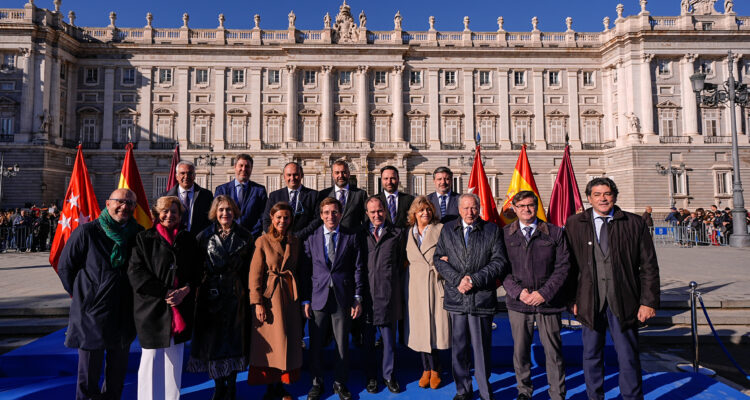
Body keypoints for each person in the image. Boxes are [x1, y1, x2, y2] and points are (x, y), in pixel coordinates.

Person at [566, 177, 660, 400]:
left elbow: (648, 265)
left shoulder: (634, 223)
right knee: (591, 355)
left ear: (615, 196)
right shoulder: (574, 223)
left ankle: (632, 397)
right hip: (590, 300)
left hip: (625, 299)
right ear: (589, 198)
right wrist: (571, 300)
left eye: (607, 194)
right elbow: (568, 267)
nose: (603, 199)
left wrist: (648, 301)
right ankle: (594, 396)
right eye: (597, 195)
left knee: (628, 356)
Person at [57, 188, 143, 400]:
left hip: (123, 312)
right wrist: (84, 296)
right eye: (120, 202)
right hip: (91, 314)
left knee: (117, 373)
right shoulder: (87, 232)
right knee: (88, 375)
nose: (125, 207)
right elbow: (66, 267)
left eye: (130, 203)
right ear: (107, 203)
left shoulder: (138, 234)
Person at [434, 194, 508, 400]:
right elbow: (438, 259)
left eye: (474, 208)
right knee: (459, 349)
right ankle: (463, 391)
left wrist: (474, 280)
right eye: (465, 208)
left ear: (480, 208)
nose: (470, 212)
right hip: (456, 299)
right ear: (459, 210)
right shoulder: (448, 230)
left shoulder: (492, 230)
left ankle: (485, 392)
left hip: (481, 299)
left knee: (482, 350)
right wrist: (458, 280)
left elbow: (499, 262)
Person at [128, 196, 202, 400]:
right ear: (157, 214)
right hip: (152, 309)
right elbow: (137, 273)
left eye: (174, 212)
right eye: (166, 211)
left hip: (180, 308)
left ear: (180, 215)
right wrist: (166, 293)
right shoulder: (144, 239)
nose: (170, 215)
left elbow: (197, 272)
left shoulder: (188, 240)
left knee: (174, 361)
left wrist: (185, 290)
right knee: (151, 359)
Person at [502, 191, 570, 400]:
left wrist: (544, 293)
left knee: (553, 352)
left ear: (537, 206)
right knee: (521, 351)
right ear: (514, 208)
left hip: (548, 302)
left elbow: (563, 267)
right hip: (519, 302)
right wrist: (517, 292)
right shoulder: (505, 234)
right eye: (521, 206)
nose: (526, 209)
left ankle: (557, 393)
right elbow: (501, 268)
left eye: (530, 205)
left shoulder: (555, 233)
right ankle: (524, 390)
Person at [187, 195, 253, 400]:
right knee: (213, 342)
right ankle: (218, 385)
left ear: (235, 212)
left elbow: (250, 268)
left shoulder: (245, 236)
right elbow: (195, 267)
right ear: (215, 212)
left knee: (235, 341)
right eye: (221, 209)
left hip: (236, 294)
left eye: (229, 210)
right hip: (211, 295)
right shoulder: (203, 236)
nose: (225, 213)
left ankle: (232, 385)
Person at [300, 197, 365, 400]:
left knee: (341, 343)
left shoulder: (350, 237)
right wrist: (305, 300)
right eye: (326, 213)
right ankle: (316, 383)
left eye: (334, 212)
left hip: (342, 297)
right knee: (316, 344)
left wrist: (357, 297)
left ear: (340, 213)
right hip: (318, 297)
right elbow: (306, 270)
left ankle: (340, 382)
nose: (330, 216)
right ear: (321, 215)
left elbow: (358, 268)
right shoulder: (312, 237)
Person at [248, 202, 304, 400]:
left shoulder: (295, 241)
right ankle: (270, 388)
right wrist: (257, 303)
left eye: (286, 217)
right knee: (270, 346)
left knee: (287, 342)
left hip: (289, 297)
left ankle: (282, 386)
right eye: (279, 217)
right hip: (269, 300)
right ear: (272, 218)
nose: (282, 221)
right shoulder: (262, 241)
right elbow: (255, 274)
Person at [404, 196, 450, 390]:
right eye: (421, 210)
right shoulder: (409, 233)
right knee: (420, 330)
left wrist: (441, 268)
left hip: (434, 283)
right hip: (414, 286)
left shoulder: (440, 230)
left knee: (434, 330)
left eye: (428, 210)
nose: (425, 213)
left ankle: (436, 369)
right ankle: (425, 369)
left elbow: (449, 255)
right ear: (414, 213)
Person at [361, 196, 406, 394]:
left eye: (380, 211)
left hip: (388, 295)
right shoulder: (360, 234)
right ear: (367, 214)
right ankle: (371, 377)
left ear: (385, 211)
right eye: (372, 212)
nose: (377, 215)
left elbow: (401, 264)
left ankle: (389, 375)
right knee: (368, 342)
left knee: (389, 341)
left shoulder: (397, 234)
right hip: (366, 297)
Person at [214, 154, 268, 237]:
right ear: (235, 167)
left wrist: (250, 236)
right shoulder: (222, 190)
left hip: (251, 239)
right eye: (241, 165)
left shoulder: (259, 190)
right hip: (226, 238)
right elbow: (216, 215)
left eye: (247, 166)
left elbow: (262, 216)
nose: (244, 169)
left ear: (251, 169)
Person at [262, 162, 319, 241]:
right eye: (289, 175)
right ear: (284, 176)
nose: (292, 178)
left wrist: (298, 236)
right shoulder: (274, 196)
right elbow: (266, 220)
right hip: (279, 241)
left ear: (301, 175)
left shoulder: (313, 195)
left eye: (295, 174)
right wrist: (278, 236)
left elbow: (317, 220)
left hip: (305, 242)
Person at [315, 160, 368, 231]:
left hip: (353, 238)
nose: (341, 176)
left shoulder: (360, 194)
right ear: (333, 175)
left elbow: (366, 220)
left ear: (349, 174)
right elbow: (319, 219)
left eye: (344, 172)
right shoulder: (323, 194)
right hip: (331, 238)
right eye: (337, 173)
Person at [164, 161, 214, 235]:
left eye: (190, 173)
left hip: (198, 242)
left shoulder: (206, 195)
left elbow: (210, 220)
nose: (186, 176)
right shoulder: (165, 197)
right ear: (176, 176)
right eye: (182, 173)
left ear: (194, 176)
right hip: (174, 241)